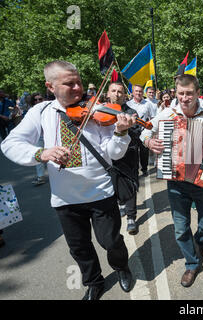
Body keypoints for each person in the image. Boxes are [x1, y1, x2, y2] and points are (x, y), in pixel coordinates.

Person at [1, 60, 135, 300]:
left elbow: (114, 153)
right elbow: (10, 144)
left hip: (100, 192)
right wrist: (40, 153)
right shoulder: (40, 112)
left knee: (111, 241)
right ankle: (94, 282)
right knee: (79, 247)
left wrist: (121, 132)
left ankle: (121, 267)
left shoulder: (98, 110)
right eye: (69, 84)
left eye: (79, 82)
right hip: (65, 198)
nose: (77, 88)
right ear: (50, 87)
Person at [141, 74, 203, 287]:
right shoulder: (166, 114)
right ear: (175, 93)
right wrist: (149, 142)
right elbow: (144, 132)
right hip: (176, 182)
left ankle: (202, 240)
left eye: (189, 93)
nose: (185, 98)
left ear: (198, 93)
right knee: (180, 228)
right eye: (181, 93)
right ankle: (191, 263)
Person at [106, 82, 141, 235]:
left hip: (129, 155)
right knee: (114, 183)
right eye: (113, 91)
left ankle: (131, 217)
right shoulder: (101, 111)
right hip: (108, 156)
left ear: (124, 95)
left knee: (130, 185)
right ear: (108, 94)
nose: (117, 94)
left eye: (120, 91)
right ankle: (121, 204)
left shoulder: (131, 112)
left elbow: (137, 132)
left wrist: (126, 128)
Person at [126, 84, 155, 176]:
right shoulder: (128, 104)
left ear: (143, 93)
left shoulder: (148, 104)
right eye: (136, 91)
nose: (138, 93)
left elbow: (152, 117)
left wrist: (152, 130)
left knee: (144, 152)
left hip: (144, 131)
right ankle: (134, 170)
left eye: (140, 91)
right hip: (132, 132)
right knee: (133, 152)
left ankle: (144, 169)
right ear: (133, 92)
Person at [30, 92, 47, 186]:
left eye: (40, 99)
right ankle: (41, 177)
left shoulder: (49, 109)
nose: (38, 101)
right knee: (39, 156)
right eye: (35, 100)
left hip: (49, 136)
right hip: (39, 137)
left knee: (54, 155)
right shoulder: (32, 111)